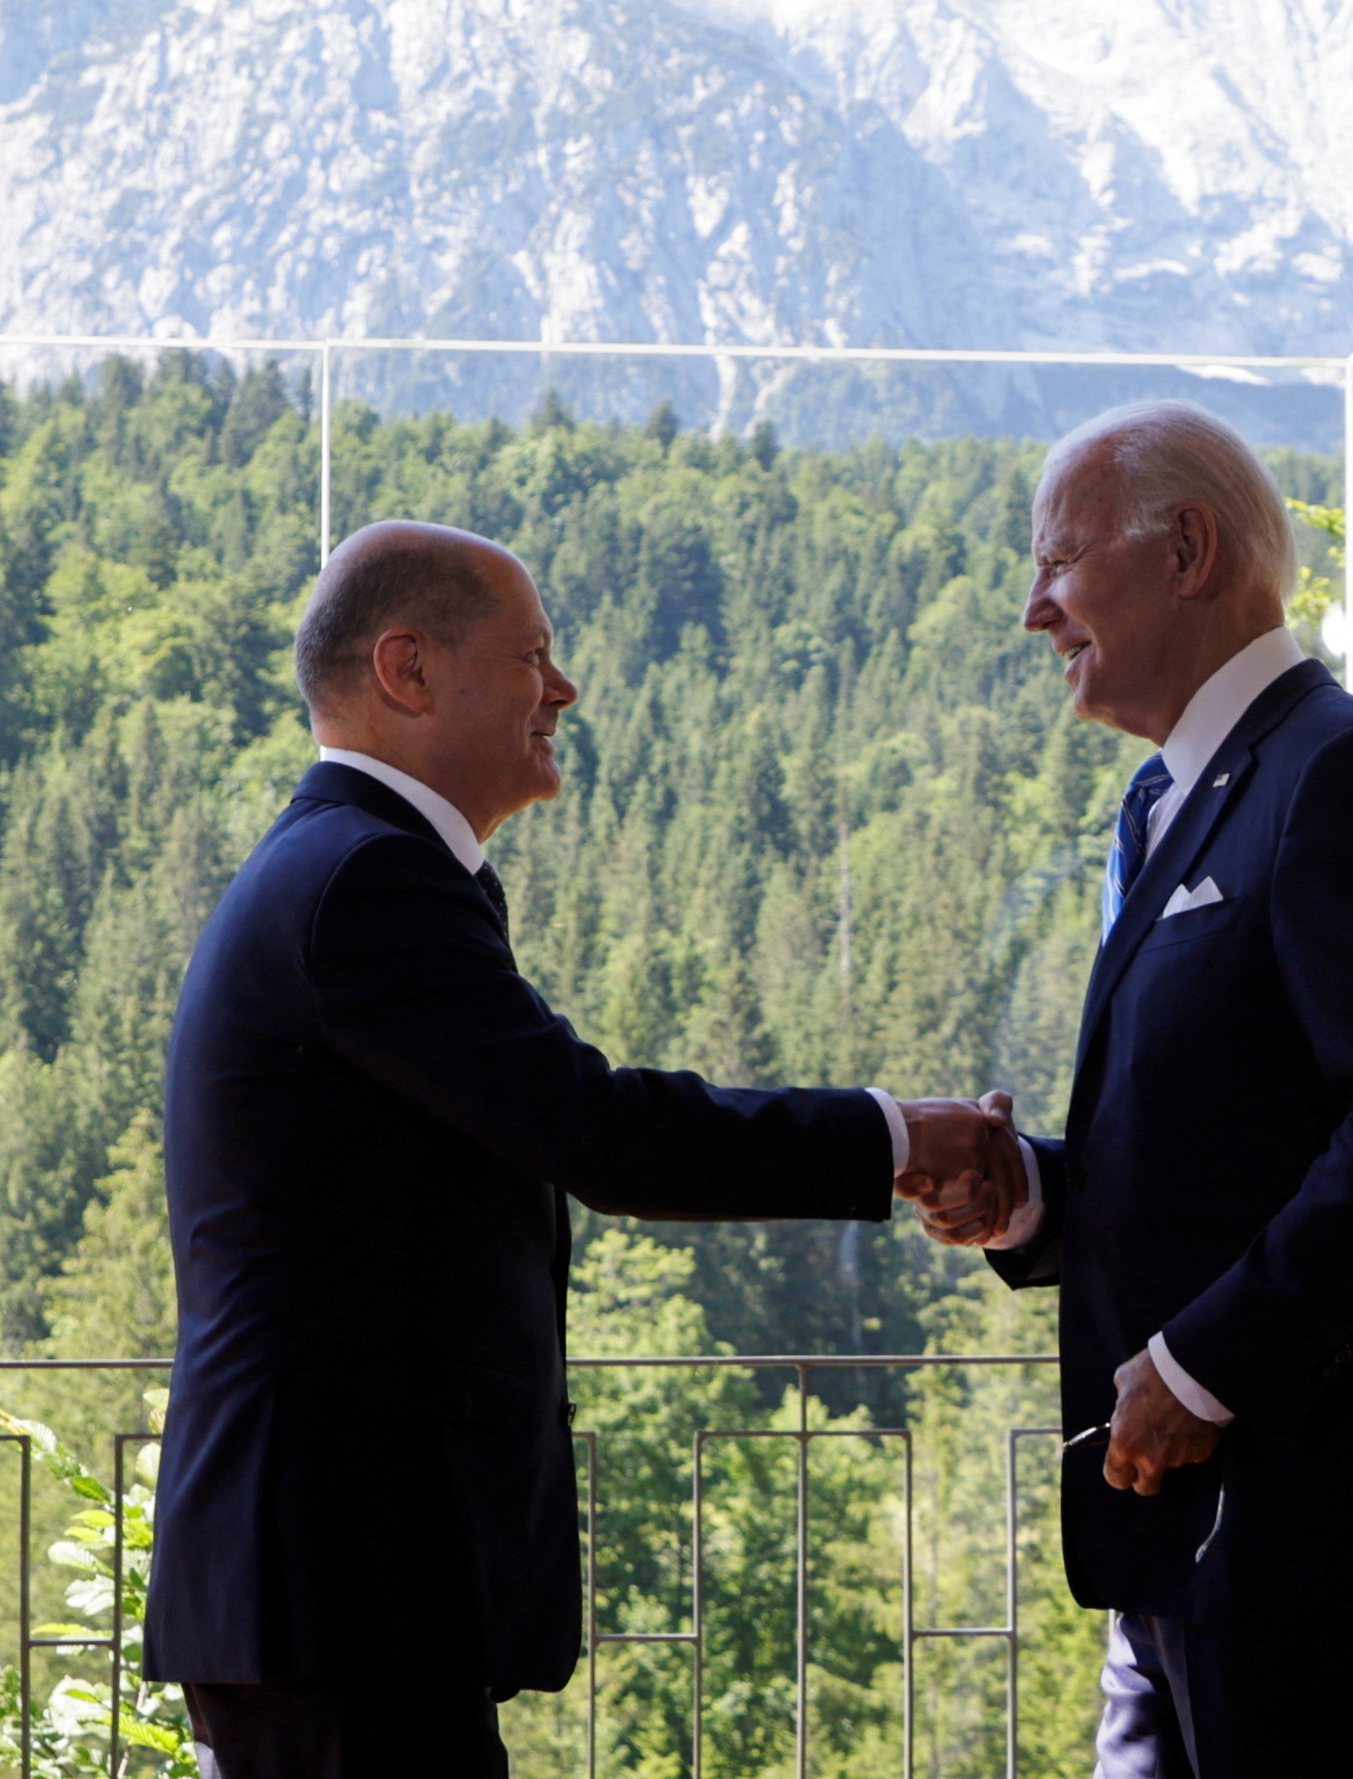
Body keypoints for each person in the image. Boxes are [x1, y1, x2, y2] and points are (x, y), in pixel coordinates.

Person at [143, 518, 1023, 1778]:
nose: (563, 687)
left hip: (342, 1584)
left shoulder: (345, 868)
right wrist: (893, 1135)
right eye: (533, 655)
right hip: (336, 1574)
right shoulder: (366, 882)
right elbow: (600, 1132)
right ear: (408, 669)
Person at [925, 401, 1353, 1777]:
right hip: (1189, 1536)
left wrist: (1201, 1372)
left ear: (1188, 547)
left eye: (1058, 561)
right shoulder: (1162, 803)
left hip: (1316, 1523)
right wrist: (1034, 1195)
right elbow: (1228, 1145)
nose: (1036, 609)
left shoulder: (1340, 768)